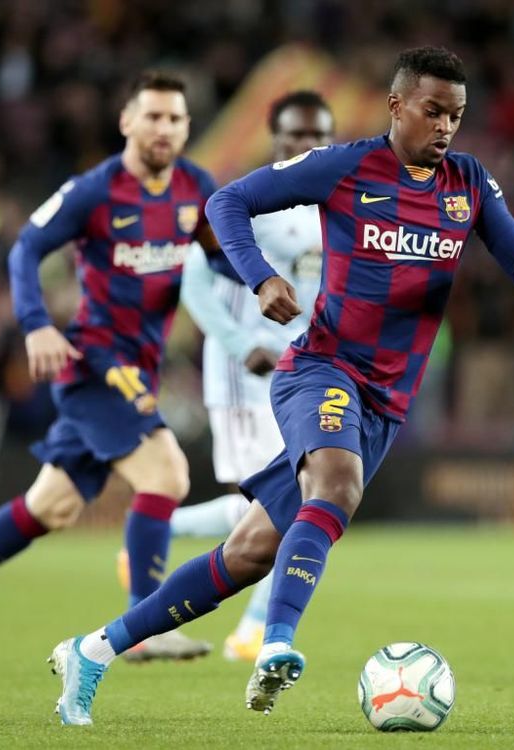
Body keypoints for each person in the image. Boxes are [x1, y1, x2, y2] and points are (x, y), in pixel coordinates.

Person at [46, 46, 514, 726]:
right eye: (433, 111)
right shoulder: (346, 166)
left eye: (456, 116)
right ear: (396, 105)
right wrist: (261, 277)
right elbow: (227, 202)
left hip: (385, 403)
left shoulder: (468, 183)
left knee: (247, 553)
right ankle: (276, 644)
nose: (445, 127)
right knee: (337, 488)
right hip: (320, 369)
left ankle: (90, 651)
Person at [0, 71, 216, 663]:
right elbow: (25, 248)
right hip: (97, 364)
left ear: (186, 127)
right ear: (126, 121)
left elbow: (219, 254)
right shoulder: (93, 191)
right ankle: (142, 626)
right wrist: (36, 324)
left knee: (52, 506)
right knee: (167, 474)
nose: (163, 128)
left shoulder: (195, 188)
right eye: (152, 116)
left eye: (175, 118)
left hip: (142, 365)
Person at [115, 90, 335, 663]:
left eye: (318, 136)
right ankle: (253, 628)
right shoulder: (250, 200)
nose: (307, 145)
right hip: (247, 377)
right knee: (287, 503)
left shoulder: (328, 208)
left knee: (290, 500)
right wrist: (242, 347)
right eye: (296, 134)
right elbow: (193, 280)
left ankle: (158, 530)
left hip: (302, 372)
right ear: (275, 138)